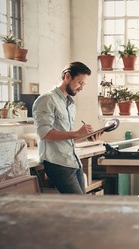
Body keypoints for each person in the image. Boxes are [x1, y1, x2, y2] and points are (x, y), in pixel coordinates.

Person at [32, 61, 102, 194]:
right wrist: (76, 133)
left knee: (82, 205)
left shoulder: (70, 103)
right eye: (80, 82)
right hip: (57, 163)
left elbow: (67, 138)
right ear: (67, 76)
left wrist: (86, 138)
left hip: (73, 161)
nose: (81, 87)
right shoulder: (46, 100)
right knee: (78, 206)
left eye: (83, 84)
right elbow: (45, 134)